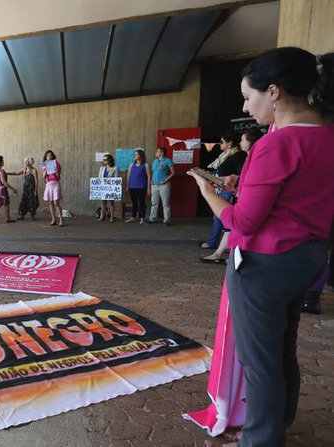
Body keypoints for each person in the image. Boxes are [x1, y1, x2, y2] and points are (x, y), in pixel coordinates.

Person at [185, 47, 334, 446]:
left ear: (274, 92)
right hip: (308, 257)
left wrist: (208, 191)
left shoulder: (276, 144)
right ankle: (277, 423)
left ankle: (261, 439)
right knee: (283, 349)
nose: (246, 108)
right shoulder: (325, 134)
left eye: (249, 98)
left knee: (260, 362)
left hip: (265, 263)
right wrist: (242, 185)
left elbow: (241, 222)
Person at [203, 130, 262, 264]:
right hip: (236, 191)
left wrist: (235, 185)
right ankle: (220, 253)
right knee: (230, 226)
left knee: (230, 223)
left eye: (243, 140)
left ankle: (225, 252)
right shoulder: (244, 156)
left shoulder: (243, 156)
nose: (241, 143)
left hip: (240, 195)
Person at [201, 134, 248, 249]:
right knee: (219, 216)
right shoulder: (225, 156)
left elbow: (240, 174)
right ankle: (218, 244)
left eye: (222, 142)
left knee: (221, 216)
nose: (220, 144)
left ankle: (216, 243)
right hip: (222, 187)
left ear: (230, 143)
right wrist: (210, 175)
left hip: (228, 189)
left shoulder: (239, 155)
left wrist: (230, 182)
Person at [149, 146, 175, 225]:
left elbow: (173, 173)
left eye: (157, 151)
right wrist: (151, 181)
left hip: (164, 185)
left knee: (165, 203)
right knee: (154, 202)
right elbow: (154, 172)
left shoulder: (168, 161)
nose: (156, 153)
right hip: (154, 185)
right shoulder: (155, 161)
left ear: (162, 153)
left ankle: (166, 220)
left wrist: (165, 180)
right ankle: (152, 219)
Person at [125, 149, 151, 224]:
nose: (135, 155)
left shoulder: (145, 165)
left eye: (136, 154)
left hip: (142, 187)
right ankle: (133, 217)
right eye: (134, 154)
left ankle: (142, 218)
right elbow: (128, 175)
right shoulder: (131, 165)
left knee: (141, 202)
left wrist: (148, 188)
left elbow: (149, 176)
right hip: (132, 186)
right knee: (134, 202)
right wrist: (127, 185)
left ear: (141, 155)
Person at [0, 156, 18, 224]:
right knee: (6, 203)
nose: (3, 162)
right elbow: (4, 182)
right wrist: (12, 189)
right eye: (2, 161)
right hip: (2, 189)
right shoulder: (1, 171)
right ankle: (8, 218)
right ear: (1, 162)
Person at [40, 150, 65, 226]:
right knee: (50, 203)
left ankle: (61, 219)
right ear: (46, 157)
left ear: (53, 156)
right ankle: (53, 219)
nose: (49, 157)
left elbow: (58, 177)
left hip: (55, 183)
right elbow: (43, 177)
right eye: (48, 155)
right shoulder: (44, 165)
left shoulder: (57, 164)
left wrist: (57, 171)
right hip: (48, 184)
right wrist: (46, 169)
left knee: (56, 203)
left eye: (51, 155)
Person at [97, 154, 118, 222]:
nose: (104, 161)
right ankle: (102, 216)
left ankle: (112, 217)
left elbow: (116, 179)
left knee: (111, 203)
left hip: (111, 188)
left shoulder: (114, 168)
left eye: (105, 159)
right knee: (103, 203)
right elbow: (99, 178)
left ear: (109, 160)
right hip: (103, 187)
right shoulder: (102, 168)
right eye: (103, 159)